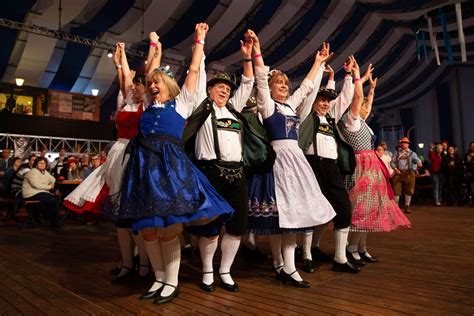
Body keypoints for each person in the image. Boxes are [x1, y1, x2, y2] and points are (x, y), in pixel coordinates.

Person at [118, 23, 234, 305]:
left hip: (170, 170)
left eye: (158, 82)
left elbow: (194, 71)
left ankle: (172, 282)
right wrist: (153, 46)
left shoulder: (182, 102)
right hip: (144, 170)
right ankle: (158, 278)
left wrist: (199, 42)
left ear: (168, 86)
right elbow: (144, 72)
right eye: (152, 82)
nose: (153, 85)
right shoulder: (146, 102)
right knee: (148, 228)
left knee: (169, 229)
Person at [248, 30, 335, 287]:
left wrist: (318, 62)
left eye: (286, 83)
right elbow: (262, 80)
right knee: (285, 217)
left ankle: (286, 266)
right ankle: (287, 268)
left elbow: (307, 87)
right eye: (280, 83)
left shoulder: (289, 106)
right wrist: (257, 50)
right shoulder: (268, 105)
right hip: (279, 160)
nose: (284, 87)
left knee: (293, 216)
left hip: (295, 159)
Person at [64, 40, 152, 284]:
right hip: (118, 156)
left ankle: (143, 262)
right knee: (121, 217)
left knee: (135, 215)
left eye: (139, 85)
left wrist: (130, 59)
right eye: (134, 85)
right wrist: (120, 58)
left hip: (137, 155)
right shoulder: (127, 101)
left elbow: (131, 77)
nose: (135, 88)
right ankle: (127, 262)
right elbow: (124, 80)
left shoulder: (148, 105)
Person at [182, 29, 255, 293]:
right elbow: (197, 74)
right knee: (209, 228)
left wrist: (247, 58)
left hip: (238, 174)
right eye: (219, 87)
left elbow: (247, 84)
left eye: (227, 88)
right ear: (209, 90)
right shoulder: (202, 106)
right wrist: (199, 42)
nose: (224, 90)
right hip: (210, 172)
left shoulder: (234, 110)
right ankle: (208, 271)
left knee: (236, 228)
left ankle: (225, 270)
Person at [339, 65, 410, 266]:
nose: (366, 107)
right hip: (361, 166)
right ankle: (351, 248)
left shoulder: (363, 121)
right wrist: (356, 77)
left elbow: (367, 103)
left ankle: (360, 247)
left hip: (372, 167)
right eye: (361, 104)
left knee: (371, 208)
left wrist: (372, 89)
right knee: (360, 208)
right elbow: (359, 99)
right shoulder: (351, 120)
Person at [298, 56, 362, 273]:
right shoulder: (306, 115)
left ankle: (340, 258)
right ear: (314, 101)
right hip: (311, 165)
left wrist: (350, 76)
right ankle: (306, 254)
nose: (325, 103)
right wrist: (319, 70)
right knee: (311, 210)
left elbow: (345, 98)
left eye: (327, 101)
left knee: (343, 208)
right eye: (321, 100)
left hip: (332, 168)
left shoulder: (332, 118)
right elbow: (311, 90)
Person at [22, 157, 61, 228]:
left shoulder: (44, 172)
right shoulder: (33, 172)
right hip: (31, 193)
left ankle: (51, 219)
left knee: (55, 198)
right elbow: (36, 185)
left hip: (40, 192)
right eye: (40, 163)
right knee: (52, 200)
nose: (43, 164)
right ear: (36, 164)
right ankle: (54, 222)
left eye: (44, 163)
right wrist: (50, 187)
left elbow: (53, 179)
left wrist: (52, 183)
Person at [390, 137, 422, 213]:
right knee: (396, 190)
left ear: (408, 144)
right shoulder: (397, 153)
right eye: (402, 142)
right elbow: (392, 162)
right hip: (399, 173)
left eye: (405, 142)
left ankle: (407, 206)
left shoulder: (412, 153)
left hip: (409, 173)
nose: (403, 144)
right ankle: (396, 207)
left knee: (409, 190)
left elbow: (417, 161)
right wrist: (395, 169)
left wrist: (418, 163)